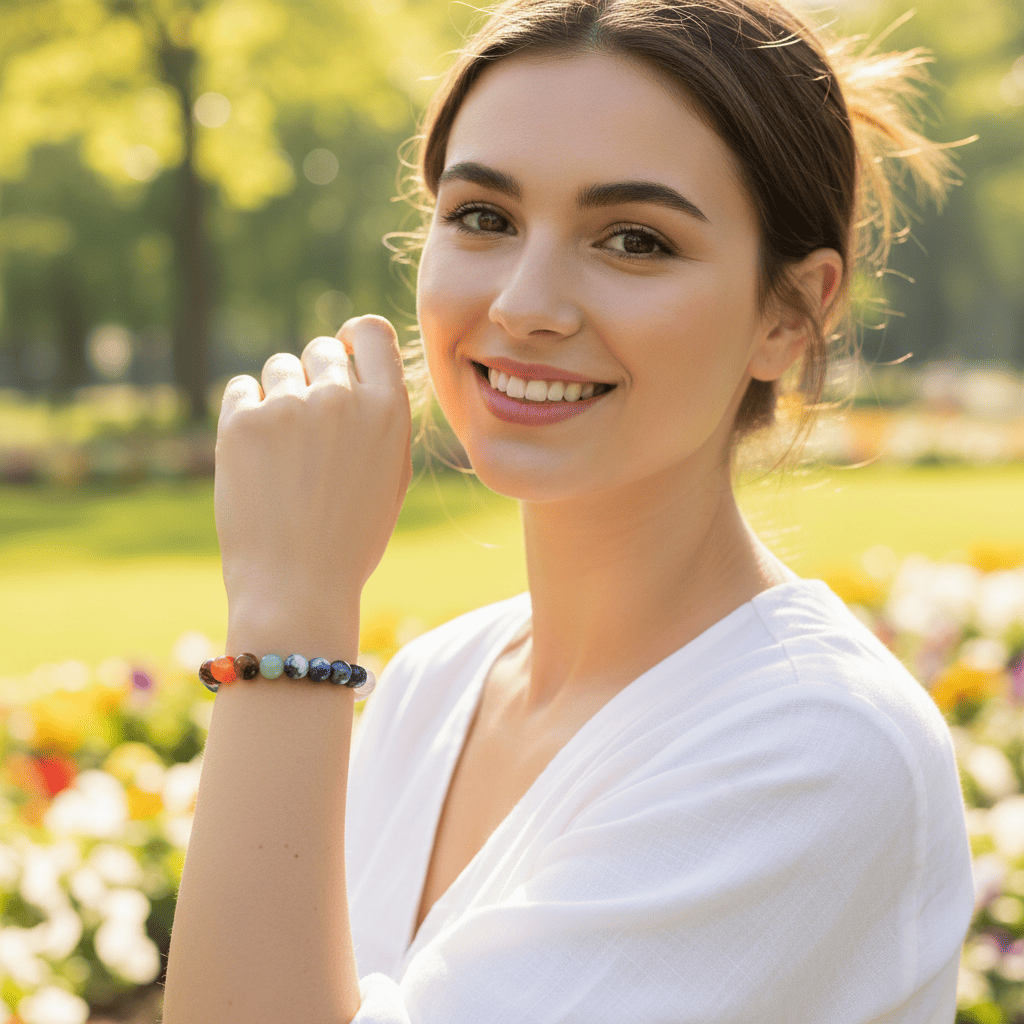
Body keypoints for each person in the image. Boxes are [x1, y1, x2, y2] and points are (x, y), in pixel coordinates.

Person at [162, 0, 977, 1021]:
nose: (524, 303)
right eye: (484, 218)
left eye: (633, 239)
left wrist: (290, 609)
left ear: (789, 314)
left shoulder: (815, 748)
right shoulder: (431, 687)